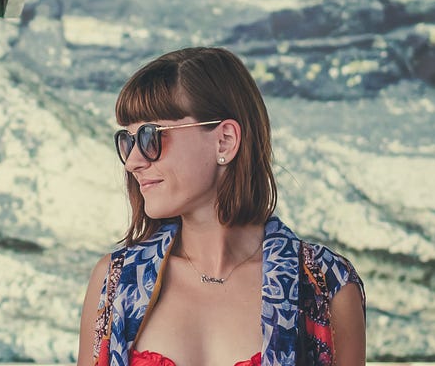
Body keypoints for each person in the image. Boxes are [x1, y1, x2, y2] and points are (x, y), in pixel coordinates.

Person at [76, 47, 366, 366]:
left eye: (149, 136)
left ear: (225, 140)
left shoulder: (325, 286)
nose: (132, 162)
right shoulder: (114, 283)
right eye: (127, 140)